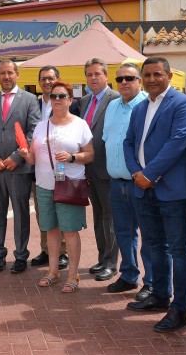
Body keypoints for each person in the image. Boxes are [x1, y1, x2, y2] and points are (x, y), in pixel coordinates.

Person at [123, 56, 186, 333]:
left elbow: (178, 143)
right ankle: (159, 295)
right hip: (143, 188)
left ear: (168, 75)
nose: (152, 80)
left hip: (172, 190)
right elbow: (128, 142)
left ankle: (180, 309)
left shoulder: (183, 104)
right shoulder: (140, 107)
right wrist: (136, 173)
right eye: (147, 75)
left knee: (178, 249)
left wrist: (149, 174)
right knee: (154, 247)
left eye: (157, 74)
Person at [19, 81, 94, 292]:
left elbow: (90, 155)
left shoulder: (79, 124)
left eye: (62, 96)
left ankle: (73, 274)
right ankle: (53, 272)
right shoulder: (42, 126)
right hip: (44, 185)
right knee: (50, 230)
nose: (57, 100)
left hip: (69, 184)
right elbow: (33, 159)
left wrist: (72, 157)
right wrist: (26, 156)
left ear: (71, 100)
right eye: (53, 96)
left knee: (69, 231)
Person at [0, 60, 41, 273]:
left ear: (17, 74)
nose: (6, 77)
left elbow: (34, 131)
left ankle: (21, 255)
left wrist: (17, 157)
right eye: (2, 73)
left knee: (21, 213)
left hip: (19, 168)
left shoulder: (31, 100)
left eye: (10, 73)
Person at [102, 63, 152, 296]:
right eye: (119, 78)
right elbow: (107, 139)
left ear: (139, 80)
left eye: (129, 78)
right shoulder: (112, 106)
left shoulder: (147, 105)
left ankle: (151, 282)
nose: (124, 82)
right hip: (116, 182)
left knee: (149, 235)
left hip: (141, 183)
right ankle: (129, 274)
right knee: (123, 232)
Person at [30, 65, 80, 270]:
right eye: (43, 79)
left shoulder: (71, 106)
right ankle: (46, 250)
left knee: (63, 212)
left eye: (51, 78)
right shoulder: (33, 103)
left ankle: (62, 253)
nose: (47, 82)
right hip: (40, 167)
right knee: (44, 212)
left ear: (58, 79)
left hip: (64, 171)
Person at [79, 57, 120, 282]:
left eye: (97, 74)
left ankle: (111, 264)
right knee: (97, 216)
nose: (93, 78)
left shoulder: (116, 98)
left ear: (106, 76)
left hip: (108, 167)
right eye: (89, 74)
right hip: (89, 168)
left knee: (110, 217)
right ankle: (102, 258)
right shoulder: (84, 101)